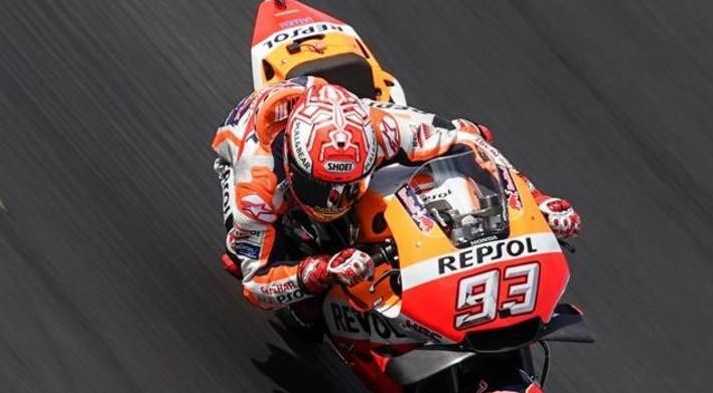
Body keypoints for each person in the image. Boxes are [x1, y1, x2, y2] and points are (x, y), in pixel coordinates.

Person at [212, 77, 580, 309]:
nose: (334, 203)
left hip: (339, 116)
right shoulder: (256, 184)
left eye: (347, 188)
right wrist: (320, 270)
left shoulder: (383, 130)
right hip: (241, 144)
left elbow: (468, 139)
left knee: (447, 159)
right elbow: (256, 284)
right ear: (294, 166)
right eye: (322, 188)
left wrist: (538, 200)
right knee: (237, 256)